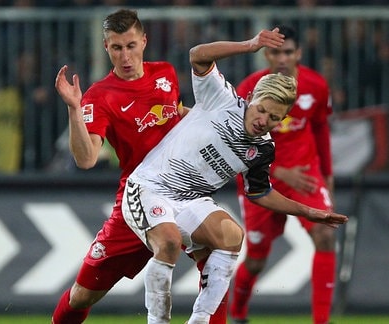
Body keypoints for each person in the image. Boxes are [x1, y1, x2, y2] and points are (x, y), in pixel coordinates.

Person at [122, 27, 348, 324]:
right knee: (169, 241)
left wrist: (309, 212)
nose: (264, 121)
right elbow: (197, 56)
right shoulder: (221, 97)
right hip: (151, 187)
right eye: (263, 111)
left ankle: (200, 320)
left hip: (190, 200)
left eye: (275, 118)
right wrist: (250, 44)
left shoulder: (263, 148)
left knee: (232, 236)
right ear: (252, 97)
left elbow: (260, 192)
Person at [51, 9, 227, 323]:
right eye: (117, 48)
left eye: (131, 45)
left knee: (217, 253)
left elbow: (176, 114)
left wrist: (216, 125)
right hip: (137, 198)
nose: (125, 55)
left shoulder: (167, 73)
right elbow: (87, 159)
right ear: (107, 48)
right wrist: (74, 110)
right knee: (82, 295)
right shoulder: (100, 97)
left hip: (180, 191)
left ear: (144, 42)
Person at [229, 25, 336, 324]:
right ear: (267, 54)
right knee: (257, 258)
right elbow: (237, 147)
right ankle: (237, 313)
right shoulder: (247, 91)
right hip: (259, 180)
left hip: (306, 175)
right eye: (276, 51)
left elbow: (320, 131)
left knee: (325, 236)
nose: (282, 58)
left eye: (288, 52)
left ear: (298, 53)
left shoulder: (316, 86)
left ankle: (321, 321)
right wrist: (280, 172)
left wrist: (327, 176)